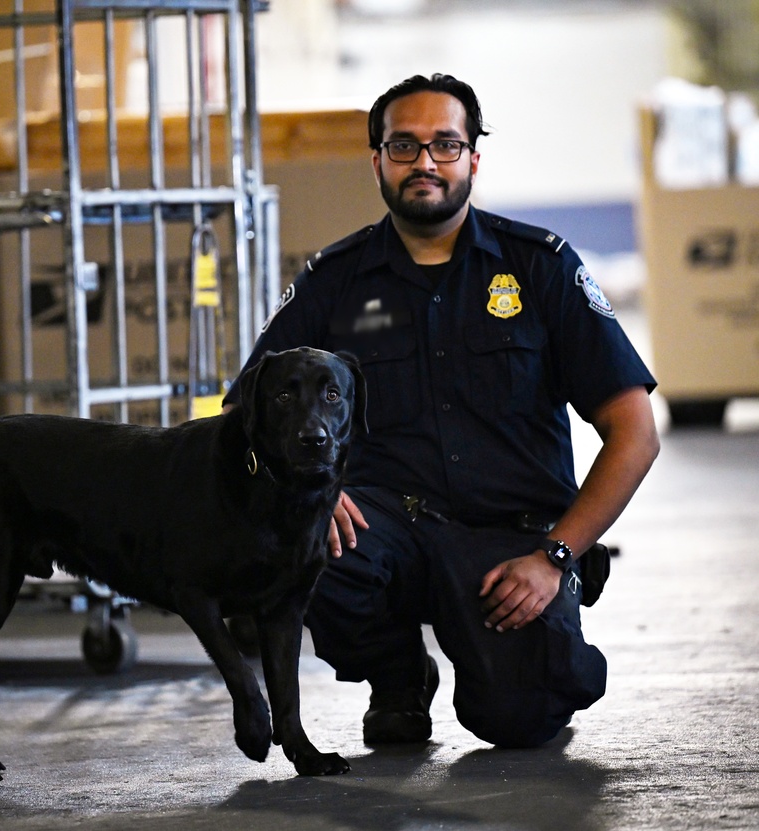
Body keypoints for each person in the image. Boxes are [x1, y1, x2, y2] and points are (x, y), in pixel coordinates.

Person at [222, 73, 660, 749]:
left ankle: (553, 614)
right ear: (377, 161)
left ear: (472, 160)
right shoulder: (334, 282)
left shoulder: (539, 267)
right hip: (382, 526)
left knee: (518, 720)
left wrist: (555, 553)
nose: (425, 161)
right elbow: (243, 407)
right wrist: (308, 491)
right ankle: (397, 675)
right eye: (404, 145)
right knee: (313, 548)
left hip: (509, 541)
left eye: (445, 144)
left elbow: (634, 434)